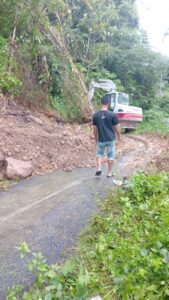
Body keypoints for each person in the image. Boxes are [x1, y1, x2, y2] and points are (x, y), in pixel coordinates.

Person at [92, 94, 121, 177]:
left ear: (101, 103)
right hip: (111, 139)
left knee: (99, 154)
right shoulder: (112, 114)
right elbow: (117, 127)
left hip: (101, 139)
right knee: (111, 155)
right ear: (108, 103)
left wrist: (96, 137)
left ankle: (99, 168)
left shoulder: (95, 115)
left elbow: (94, 128)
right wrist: (119, 136)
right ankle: (109, 173)